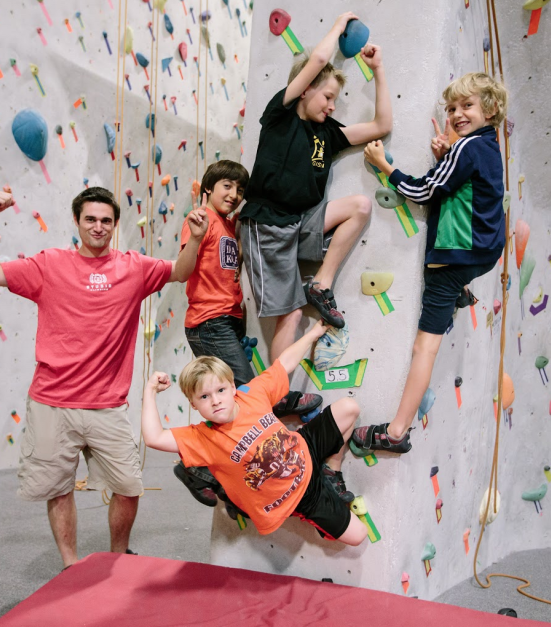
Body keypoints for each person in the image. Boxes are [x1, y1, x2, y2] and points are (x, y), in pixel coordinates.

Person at [0, 185, 208, 568]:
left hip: (107, 406)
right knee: (59, 489)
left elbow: (181, 272)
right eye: (90, 219)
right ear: (77, 221)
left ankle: (118, 556)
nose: (98, 227)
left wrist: (195, 240)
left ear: (115, 224)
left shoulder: (134, 267)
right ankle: (71, 564)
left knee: (129, 487)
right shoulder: (49, 265)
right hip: (52, 402)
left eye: (105, 221)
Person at [353, 72, 508, 454]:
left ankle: (396, 431)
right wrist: (446, 156)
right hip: (484, 253)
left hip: (455, 257)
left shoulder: (466, 148)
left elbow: (424, 190)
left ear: (489, 110)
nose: (456, 114)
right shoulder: (487, 146)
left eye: (466, 106)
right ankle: (462, 291)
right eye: (452, 107)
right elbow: (462, 187)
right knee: (448, 299)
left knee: (426, 346)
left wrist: (383, 166)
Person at [240, 11, 392, 361]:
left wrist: (379, 70)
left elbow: (382, 123)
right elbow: (320, 58)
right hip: (266, 227)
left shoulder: (328, 133)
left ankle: (321, 284)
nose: (332, 105)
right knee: (292, 315)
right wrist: (339, 25)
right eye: (327, 96)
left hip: (299, 221)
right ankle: (280, 397)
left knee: (361, 206)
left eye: (336, 99)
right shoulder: (280, 116)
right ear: (305, 89)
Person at [175, 161, 323, 507]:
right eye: (226, 186)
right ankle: (197, 469)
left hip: (227, 320)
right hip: (207, 321)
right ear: (208, 188)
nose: (234, 194)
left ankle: (210, 472)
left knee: (234, 404)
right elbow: (183, 271)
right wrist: (195, 237)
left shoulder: (230, 225)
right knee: (244, 395)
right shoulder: (201, 220)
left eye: (239, 190)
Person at [141, 320, 367, 545]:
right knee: (358, 536)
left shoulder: (251, 394)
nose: (216, 401)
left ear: (232, 387)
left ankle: (331, 469)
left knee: (349, 407)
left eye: (220, 390)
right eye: (204, 397)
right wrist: (150, 391)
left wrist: (314, 333)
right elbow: (154, 437)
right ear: (193, 405)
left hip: (304, 449)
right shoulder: (201, 437)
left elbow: (284, 364)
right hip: (301, 496)